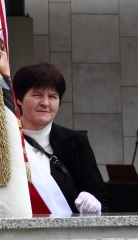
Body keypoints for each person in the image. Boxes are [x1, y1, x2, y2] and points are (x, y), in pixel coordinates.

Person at [12, 62, 113, 214]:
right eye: (37, 95)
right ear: (19, 98)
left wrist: (95, 209)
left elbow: (104, 204)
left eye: (52, 97)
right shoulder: (6, 142)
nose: (45, 103)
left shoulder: (76, 143)